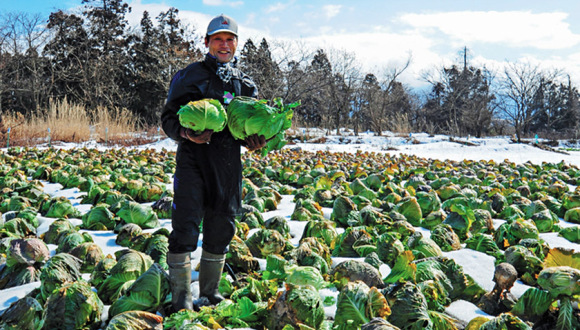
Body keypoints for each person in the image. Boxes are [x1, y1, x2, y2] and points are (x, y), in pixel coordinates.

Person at [161, 13, 266, 312]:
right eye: (217, 39)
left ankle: (210, 292)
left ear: (236, 45)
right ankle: (181, 297)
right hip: (193, 162)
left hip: (228, 165)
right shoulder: (188, 76)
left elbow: (248, 127)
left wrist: (256, 141)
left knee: (221, 228)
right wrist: (184, 133)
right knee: (185, 228)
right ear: (207, 43)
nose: (224, 45)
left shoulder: (245, 85)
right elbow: (168, 117)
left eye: (229, 40)